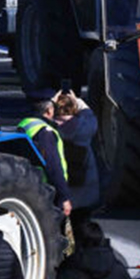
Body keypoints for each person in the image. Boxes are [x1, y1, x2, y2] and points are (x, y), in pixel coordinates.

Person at [53, 91, 100, 230]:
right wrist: (78, 101)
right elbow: (89, 114)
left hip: (60, 192)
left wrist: (52, 101)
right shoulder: (84, 127)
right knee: (81, 228)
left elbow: (41, 115)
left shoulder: (50, 128)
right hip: (85, 190)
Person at [18, 101, 72, 219]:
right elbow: (53, 166)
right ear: (49, 111)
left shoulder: (25, 124)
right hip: (46, 189)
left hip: (29, 185)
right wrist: (64, 196)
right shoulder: (45, 132)